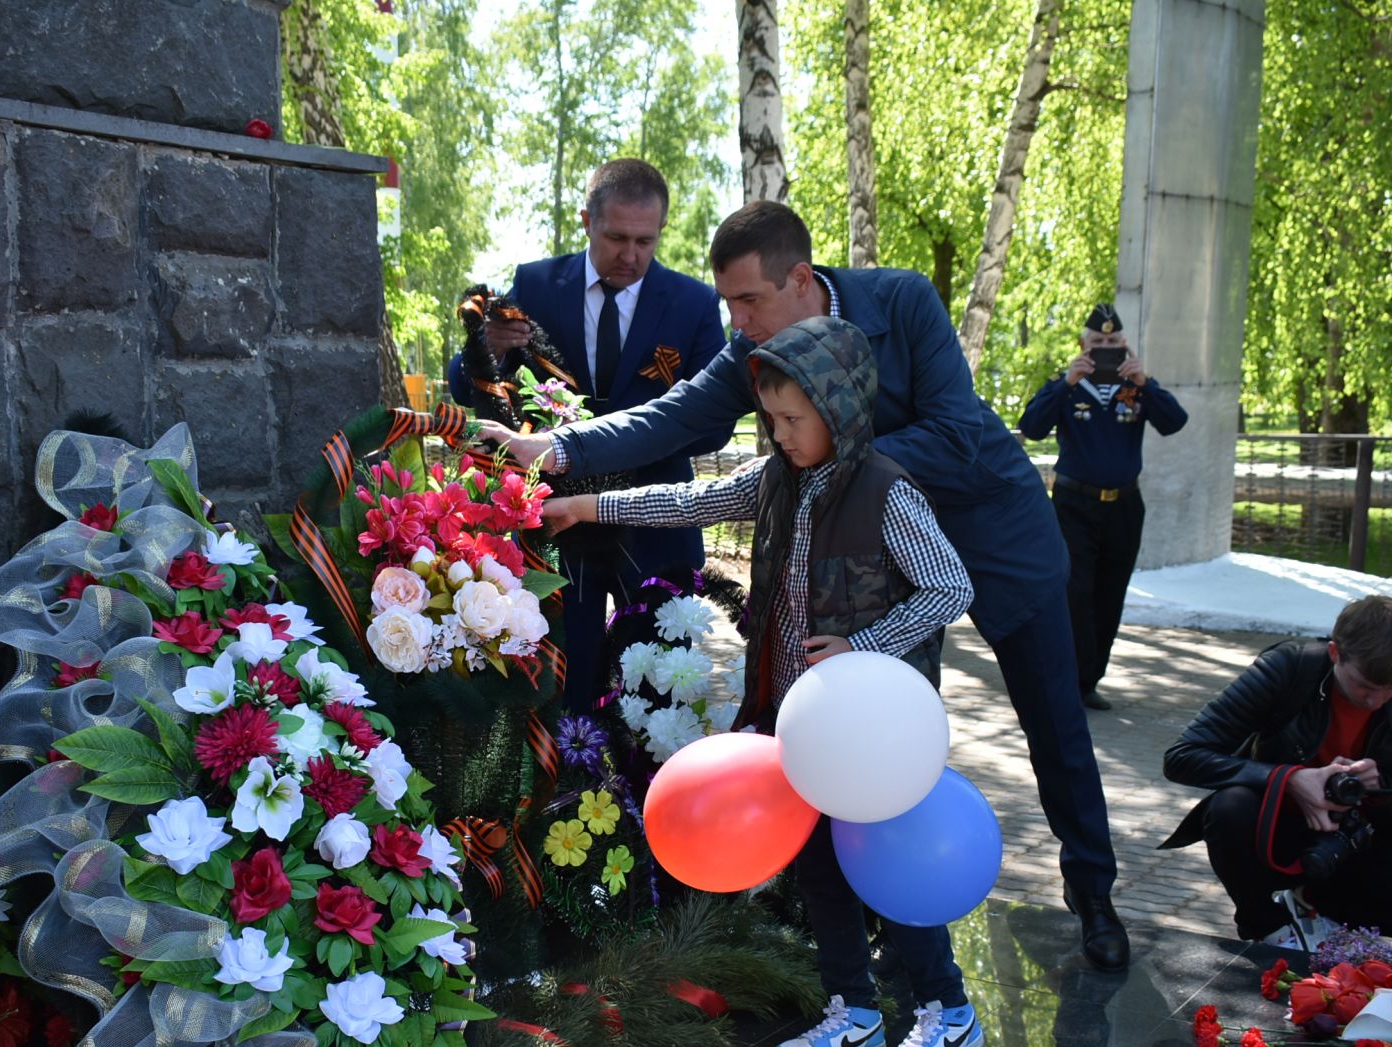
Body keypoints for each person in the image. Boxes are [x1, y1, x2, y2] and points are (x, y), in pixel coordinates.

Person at [482, 201, 1133, 970]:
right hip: (873, 569)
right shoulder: (759, 347)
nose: (739, 322)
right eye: (728, 304)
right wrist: (554, 450)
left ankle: (1094, 894)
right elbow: (678, 413)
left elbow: (956, 430)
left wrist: (825, 459)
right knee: (883, 735)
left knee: (1053, 724)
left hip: (995, 539)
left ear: (800, 279)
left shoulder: (902, 300)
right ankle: (888, 922)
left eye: (749, 301)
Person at [542, 314, 985, 1047]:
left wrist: (865, 645)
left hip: (871, 729)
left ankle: (947, 1012)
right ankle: (855, 1010)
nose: (779, 435)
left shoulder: (887, 493)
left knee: (889, 860)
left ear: (840, 411)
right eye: (771, 419)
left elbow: (951, 584)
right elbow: (693, 501)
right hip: (796, 720)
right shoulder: (777, 480)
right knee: (815, 865)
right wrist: (590, 508)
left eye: (794, 419)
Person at [448, 158, 725, 710]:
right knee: (555, 679)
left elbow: (715, 421)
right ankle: (565, 789)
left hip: (656, 516)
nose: (630, 255)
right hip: (552, 523)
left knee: (660, 687)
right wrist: (494, 347)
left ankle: (649, 794)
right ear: (586, 222)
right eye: (616, 236)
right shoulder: (534, 284)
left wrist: (629, 452)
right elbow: (464, 384)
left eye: (646, 240)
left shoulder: (694, 303)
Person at [1160, 595, 1392, 957]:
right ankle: (1269, 927)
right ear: (1336, 653)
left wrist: (1378, 789)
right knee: (1229, 806)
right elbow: (1183, 756)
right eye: (1365, 685)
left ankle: (1317, 909)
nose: (1376, 700)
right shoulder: (1289, 668)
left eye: (1391, 687)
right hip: (1277, 832)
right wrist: (1289, 778)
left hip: (1354, 840)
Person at [1017, 305, 1188, 710]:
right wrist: (1064, 384)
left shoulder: (1136, 389)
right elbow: (1031, 427)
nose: (1106, 349)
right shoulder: (1068, 386)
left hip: (1125, 506)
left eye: (1114, 343)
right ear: (1083, 346)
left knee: (1110, 594)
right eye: (1098, 343)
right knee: (1076, 593)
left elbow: (1174, 421)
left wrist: (1145, 384)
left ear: (1124, 345)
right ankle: (1070, 682)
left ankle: (1090, 680)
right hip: (1075, 505)